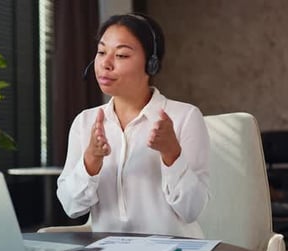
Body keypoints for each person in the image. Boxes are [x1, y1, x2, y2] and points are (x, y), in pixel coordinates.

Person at [56, 13, 210, 238]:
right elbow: (72, 207)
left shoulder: (184, 117)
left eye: (121, 55)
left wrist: (171, 153)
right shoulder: (85, 122)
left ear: (151, 64)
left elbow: (191, 210)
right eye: (101, 52)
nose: (105, 64)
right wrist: (90, 160)